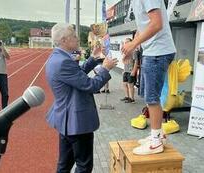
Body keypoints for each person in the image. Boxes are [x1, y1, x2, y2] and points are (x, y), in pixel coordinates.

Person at [45, 23, 117, 173]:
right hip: (76, 121)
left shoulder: (58, 57)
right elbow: (91, 85)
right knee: (84, 166)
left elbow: (78, 74)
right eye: (74, 36)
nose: (78, 38)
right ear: (64, 40)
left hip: (66, 121)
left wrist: (92, 57)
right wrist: (105, 69)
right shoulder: (63, 61)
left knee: (64, 165)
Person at [121, 0, 176, 155]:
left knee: (152, 98)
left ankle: (156, 142)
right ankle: (158, 135)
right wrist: (134, 45)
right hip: (154, 51)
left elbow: (156, 24)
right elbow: (143, 27)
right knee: (149, 97)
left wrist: (132, 45)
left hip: (158, 52)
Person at [120, 38, 138, 103]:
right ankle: (127, 97)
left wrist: (134, 71)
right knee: (124, 84)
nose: (126, 43)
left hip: (131, 70)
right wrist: (124, 70)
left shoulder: (134, 51)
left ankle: (132, 99)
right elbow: (123, 61)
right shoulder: (126, 51)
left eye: (127, 42)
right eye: (125, 42)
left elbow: (136, 61)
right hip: (126, 70)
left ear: (131, 42)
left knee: (130, 85)